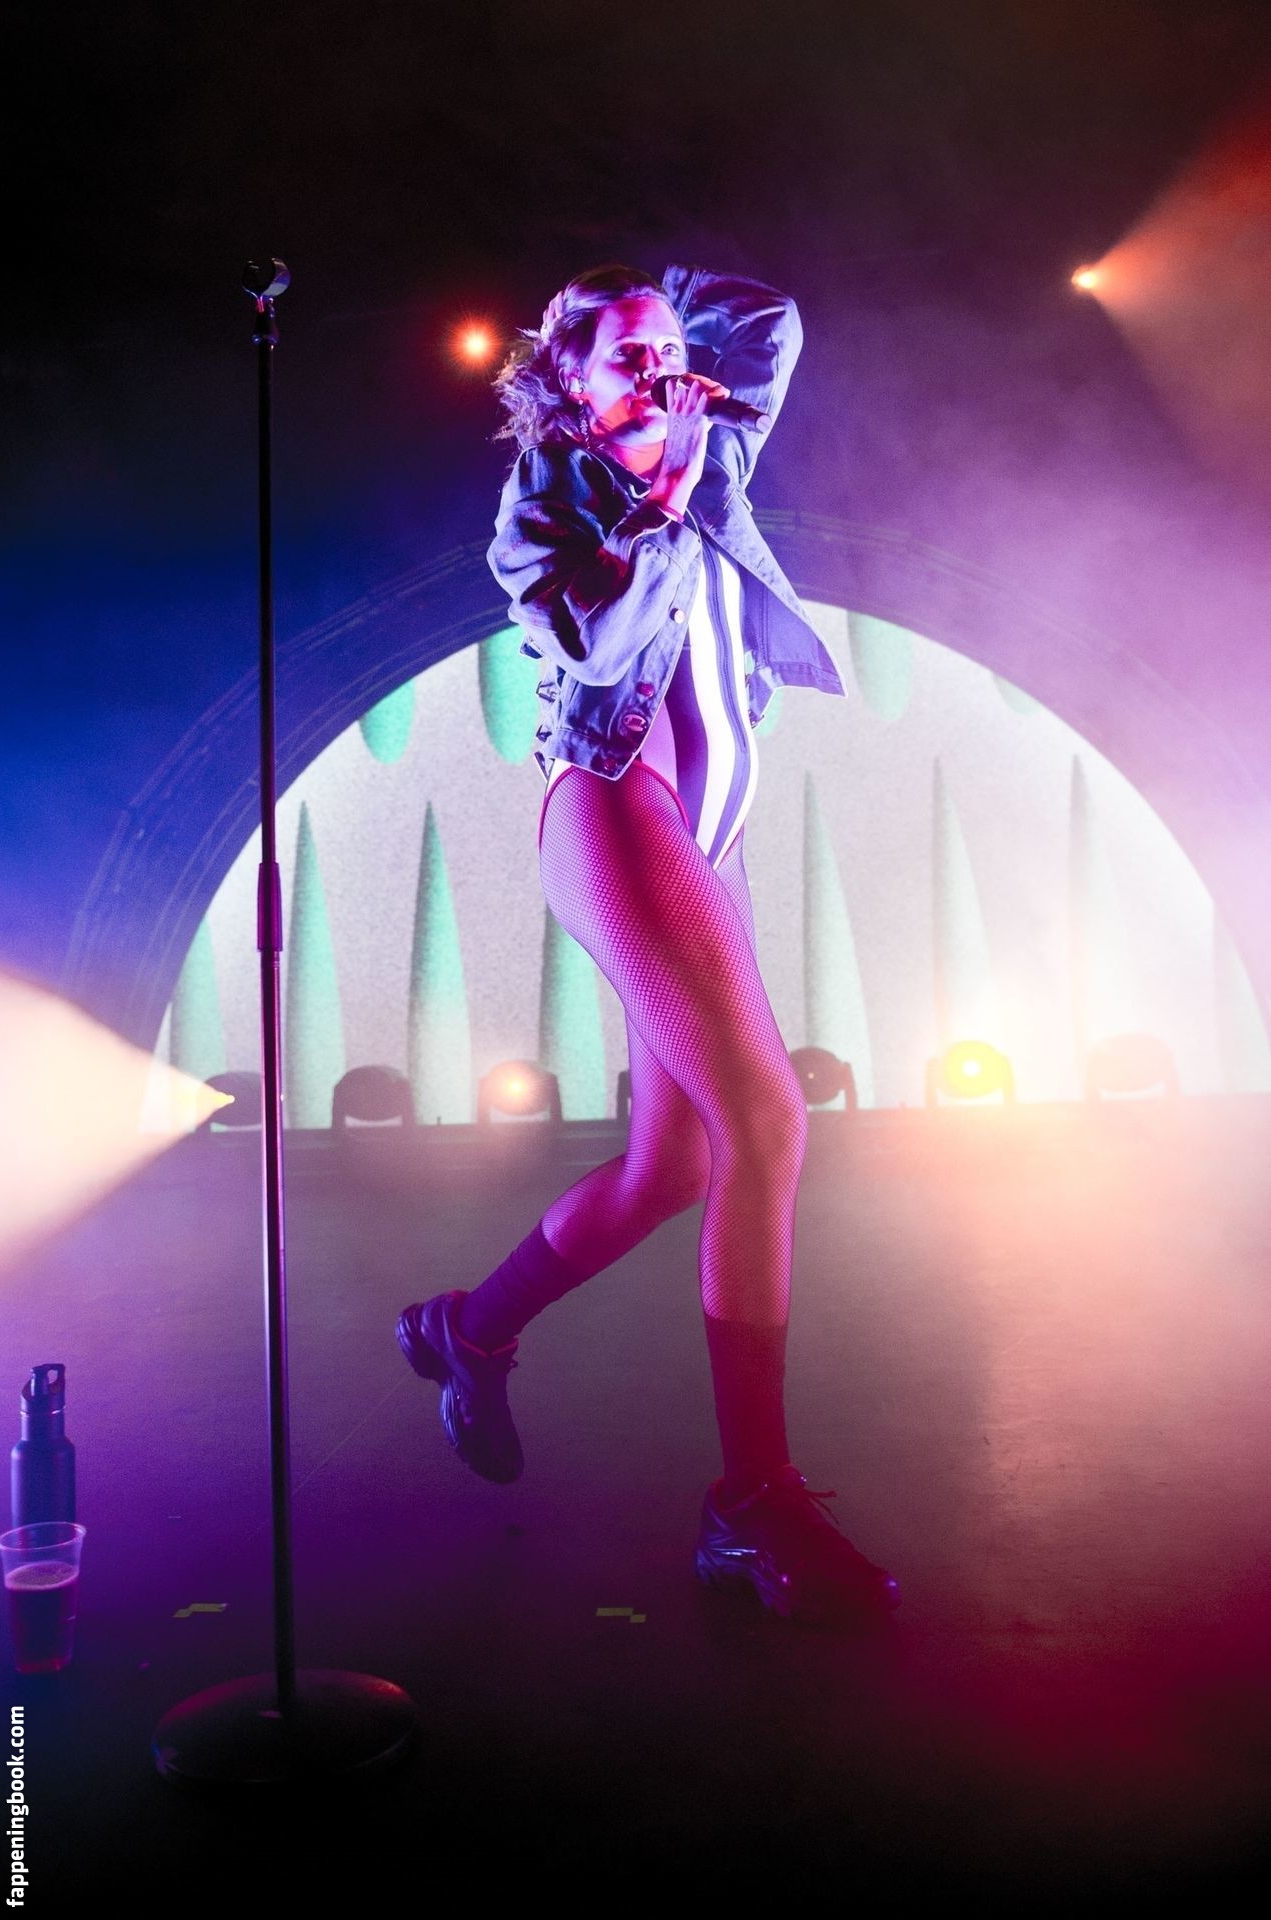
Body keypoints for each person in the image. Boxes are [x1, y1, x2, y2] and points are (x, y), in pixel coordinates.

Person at [397, 262, 900, 1628]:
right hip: (619, 807)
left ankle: (468, 1328)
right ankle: (749, 1502)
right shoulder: (545, 502)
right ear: (566, 375)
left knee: (674, 1164)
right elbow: (605, 645)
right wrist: (661, 500)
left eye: (668, 350)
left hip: (704, 829)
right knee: (769, 1124)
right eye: (624, 354)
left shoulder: (713, 433)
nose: (659, 371)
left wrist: (666, 316)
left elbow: (773, 321)